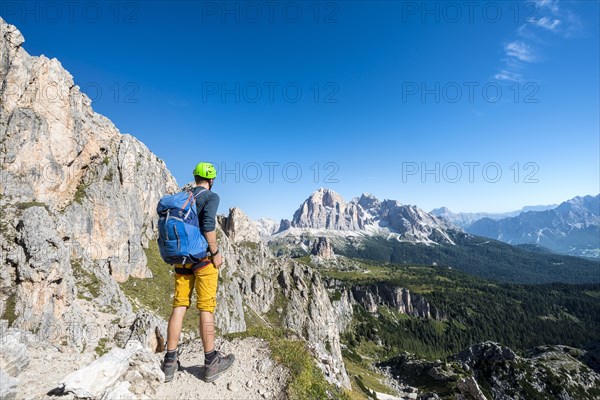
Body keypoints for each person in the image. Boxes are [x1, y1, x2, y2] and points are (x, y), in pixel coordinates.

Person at [161, 162, 235, 383]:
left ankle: (169, 362)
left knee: (180, 304)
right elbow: (208, 225)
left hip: (181, 261)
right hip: (202, 260)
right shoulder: (211, 197)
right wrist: (216, 252)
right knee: (206, 307)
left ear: (195, 177)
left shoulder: (184, 197)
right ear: (211, 180)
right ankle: (211, 361)